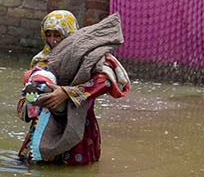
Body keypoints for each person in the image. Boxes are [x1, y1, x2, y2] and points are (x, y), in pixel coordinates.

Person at [17, 9, 129, 166]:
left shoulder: (89, 56)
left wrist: (66, 93)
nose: (53, 41)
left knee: (75, 170)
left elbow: (107, 81)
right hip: (44, 121)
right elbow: (30, 93)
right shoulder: (40, 60)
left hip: (79, 121)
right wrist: (31, 98)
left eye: (58, 35)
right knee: (35, 165)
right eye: (48, 35)